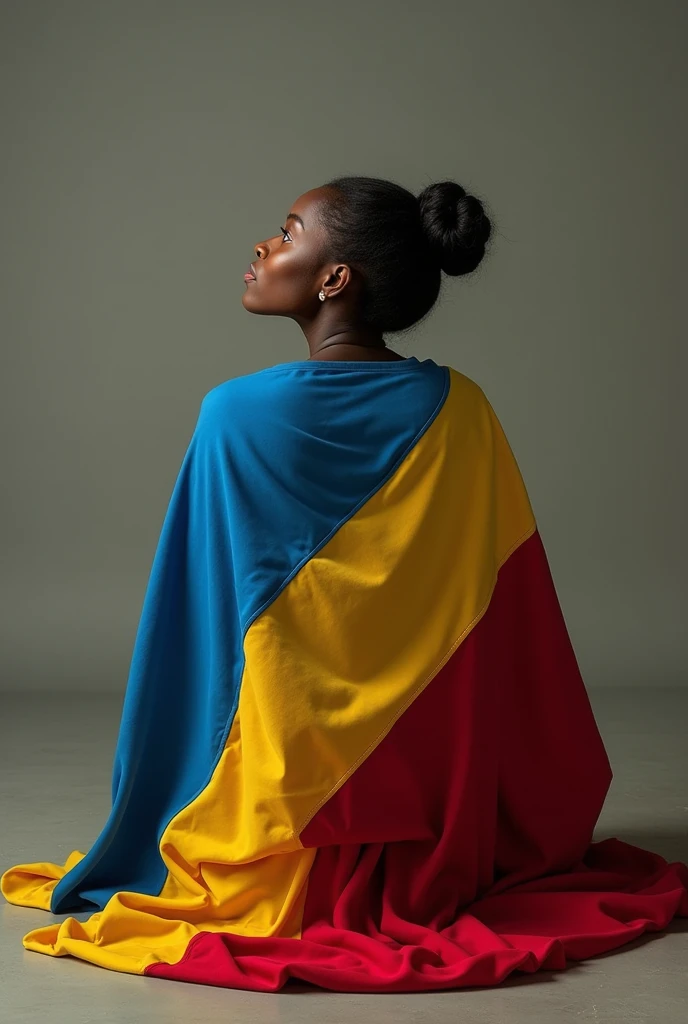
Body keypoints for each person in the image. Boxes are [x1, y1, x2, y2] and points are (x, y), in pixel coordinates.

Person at [2, 176, 686, 992]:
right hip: (424, 778)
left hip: (280, 781)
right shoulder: (460, 410)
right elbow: (498, 616)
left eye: (287, 232)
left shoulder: (234, 415)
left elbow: (204, 627)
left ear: (334, 279)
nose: (263, 247)